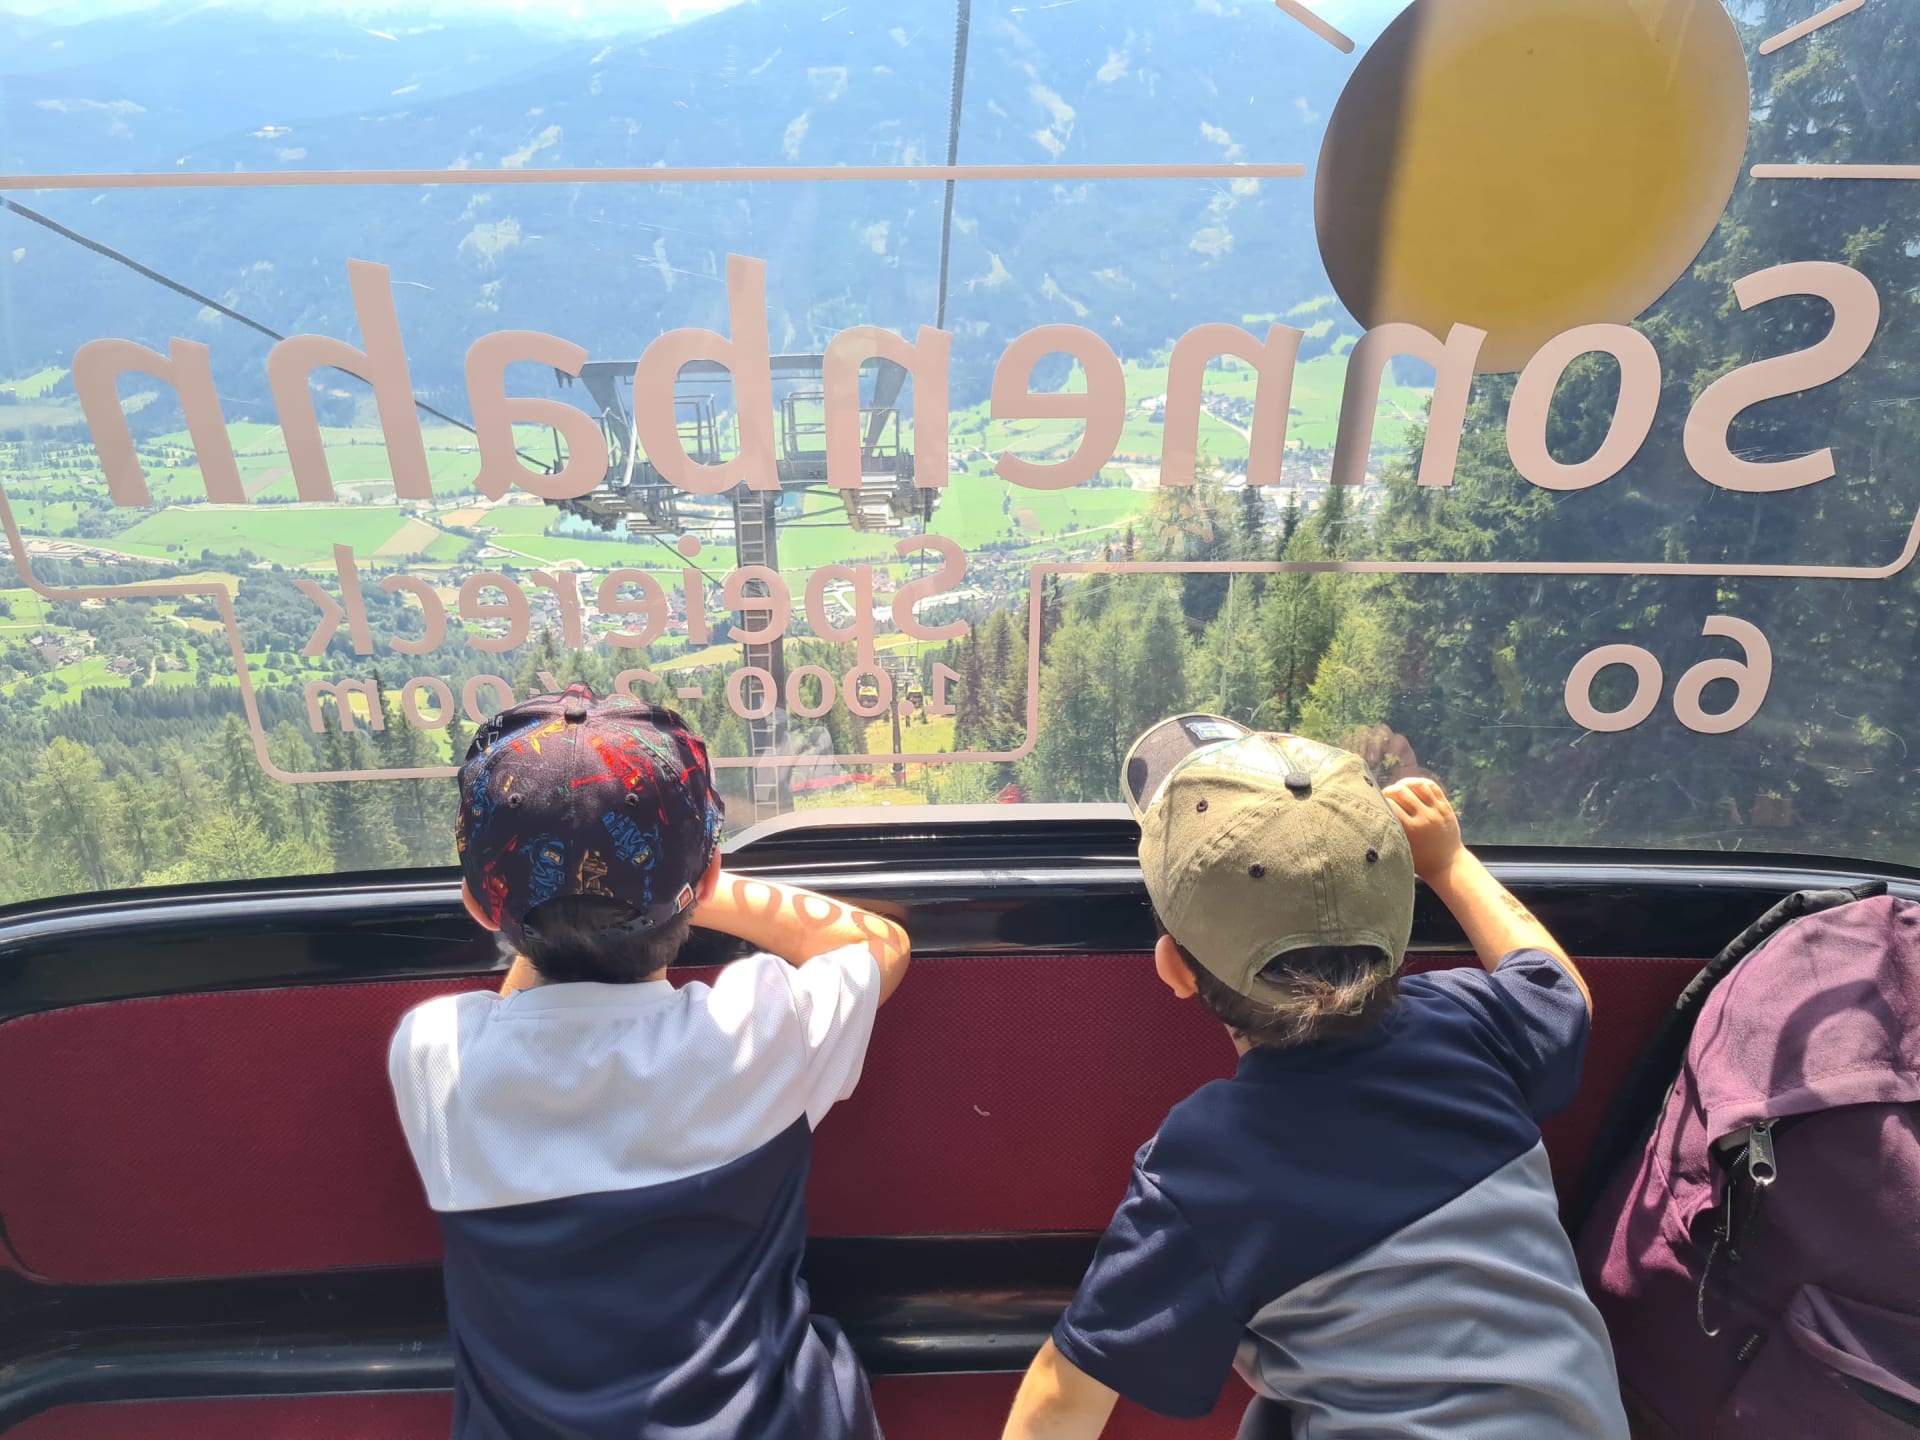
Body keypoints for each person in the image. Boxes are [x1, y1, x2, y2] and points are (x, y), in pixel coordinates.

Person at [1001, 716, 1628, 1440]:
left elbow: (1062, 1399)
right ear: (1399, 934)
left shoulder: (1207, 1167)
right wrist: (1452, 864)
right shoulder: (1472, 1023)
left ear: (1174, 970)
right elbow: (1558, 990)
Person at [387, 684, 910, 1440]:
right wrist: (690, 885)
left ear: (478, 904)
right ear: (706, 881)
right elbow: (881, 946)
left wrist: (566, 899)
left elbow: (514, 1007)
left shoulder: (433, 1053)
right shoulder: (760, 1032)